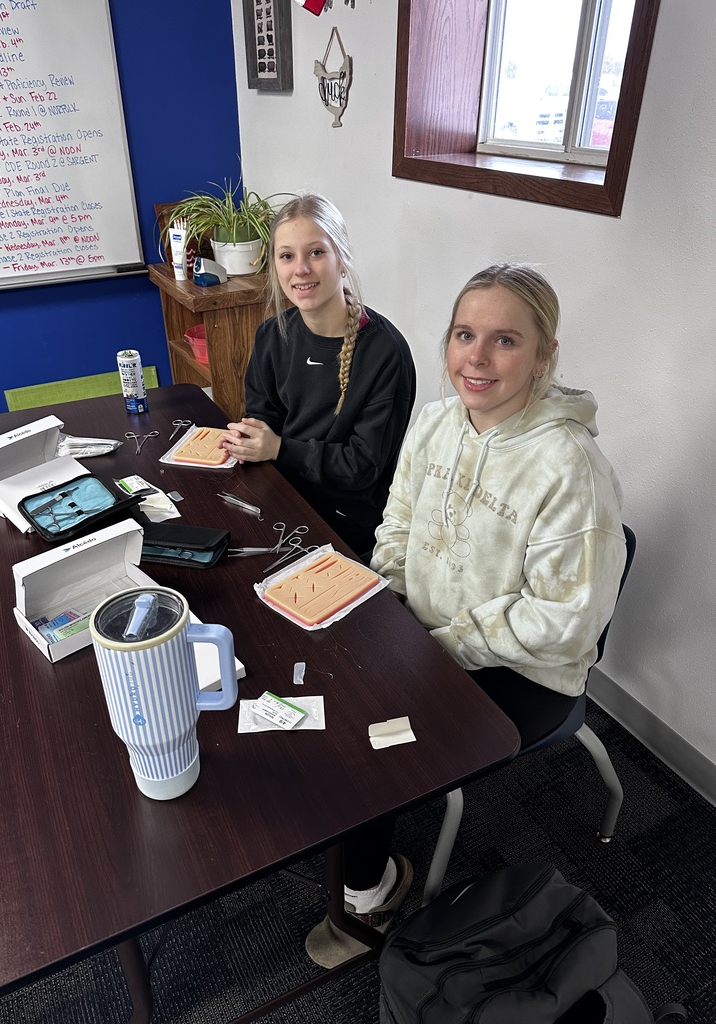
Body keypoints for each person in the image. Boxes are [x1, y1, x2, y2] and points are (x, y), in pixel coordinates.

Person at [304, 262, 626, 968]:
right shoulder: (437, 421)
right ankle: (357, 840)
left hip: (526, 668)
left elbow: (564, 622)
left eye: (505, 340)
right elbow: (398, 522)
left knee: (373, 737)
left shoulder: (572, 468)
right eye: (464, 334)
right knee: (329, 678)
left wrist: (434, 647)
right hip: (425, 628)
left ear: (545, 357)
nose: (476, 358)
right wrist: (382, 603)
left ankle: (373, 894)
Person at [218, 192, 416, 558]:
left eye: (316, 252)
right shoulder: (272, 335)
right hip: (278, 498)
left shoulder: (385, 353)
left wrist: (278, 447)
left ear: (342, 259)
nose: (301, 269)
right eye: (287, 256)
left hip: (347, 525)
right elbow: (263, 419)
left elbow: (363, 467)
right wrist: (248, 439)